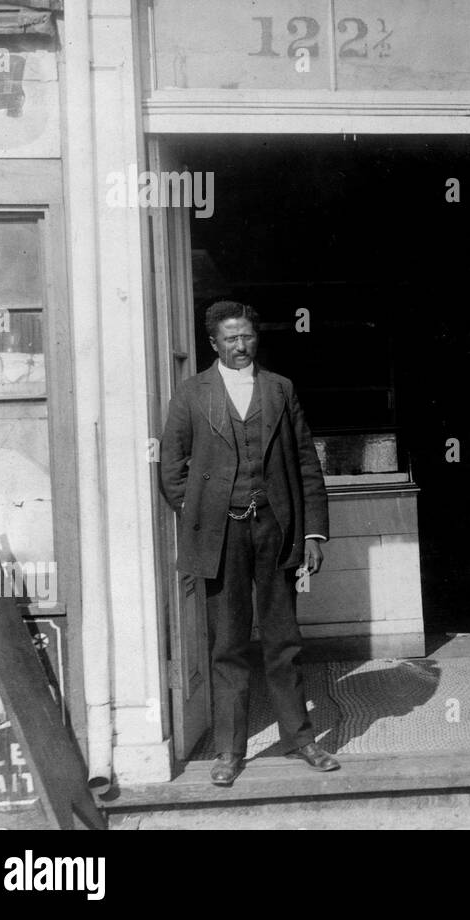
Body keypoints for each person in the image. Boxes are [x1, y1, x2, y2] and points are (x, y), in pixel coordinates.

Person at [159, 300, 338, 786]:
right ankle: (229, 752)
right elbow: (172, 469)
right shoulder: (192, 393)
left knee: (283, 642)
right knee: (229, 646)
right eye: (231, 339)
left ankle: (301, 740)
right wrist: (199, 515)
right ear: (213, 344)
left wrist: (312, 533)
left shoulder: (280, 389)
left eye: (247, 337)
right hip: (222, 538)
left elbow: (306, 465)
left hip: (275, 532)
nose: (241, 346)